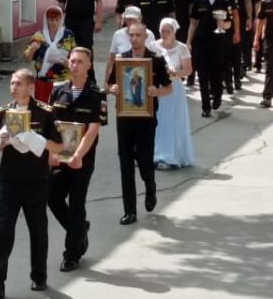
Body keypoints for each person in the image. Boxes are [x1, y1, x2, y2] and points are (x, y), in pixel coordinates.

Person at [0, 69, 63, 299]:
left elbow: (58, 146)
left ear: (30, 87)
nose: (14, 87)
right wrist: (1, 142)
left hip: (35, 180)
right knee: (3, 230)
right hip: (9, 179)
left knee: (37, 229)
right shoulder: (4, 112)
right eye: (12, 84)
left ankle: (39, 276)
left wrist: (34, 139)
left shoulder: (45, 112)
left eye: (18, 84)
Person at [48, 47, 105, 271]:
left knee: (77, 202)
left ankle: (71, 254)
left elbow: (93, 129)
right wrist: (51, 153)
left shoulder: (95, 94)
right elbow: (50, 126)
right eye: (72, 61)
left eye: (80, 62)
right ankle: (79, 228)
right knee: (52, 197)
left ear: (89, 65)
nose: (75, 65)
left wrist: (78, 156)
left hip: (83, 158)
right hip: (59, 156)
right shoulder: (58, 91)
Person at [108, 24, 172, 225]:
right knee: (125, 164)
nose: (134, 39)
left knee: (144, 160)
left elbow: (169, 87)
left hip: (147, 119)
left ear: (146, 37)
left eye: (138, 35)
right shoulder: (121, 60)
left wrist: (157, 92)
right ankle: (130, 211)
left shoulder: (156, 60)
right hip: (124, 118)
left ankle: (150, 186)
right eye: (132, 35)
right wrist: (114, 88)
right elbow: (109, 85)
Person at [187, 0, 235, 118]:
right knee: (202, 74)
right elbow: (193, 22)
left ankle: (217, 96)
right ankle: (205, 106)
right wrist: (189, 41)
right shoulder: (199, 0)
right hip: (201, 41)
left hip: (218, 42)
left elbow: (229, 23)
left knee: (216, 72)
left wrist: (223, 24)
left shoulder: (225, 1)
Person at [149, 18, 194, 169]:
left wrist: (176, 74)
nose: (164, 34)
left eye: (168, 31)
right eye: (162, 31)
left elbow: (188, 69)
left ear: (174, 32)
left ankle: (170, 156)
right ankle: (154, 153)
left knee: (172, 122)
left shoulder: (181, 48)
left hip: (174, 90)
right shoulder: (153, 46)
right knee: (158, 121)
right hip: (157, 88)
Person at [24, 4, 76, 101]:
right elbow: (27, 58)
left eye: (57, 20)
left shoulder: (68, 35)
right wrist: (32, 49)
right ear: (46, 20)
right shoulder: (39, 36)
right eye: (51, 20)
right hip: (43, 81)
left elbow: (76, 58)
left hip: (62, 81)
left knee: (60, 112)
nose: (54, 23)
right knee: (43, 111)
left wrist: (68, 63)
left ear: (62, 19)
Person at [105, 7, 156, 86]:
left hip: (145, 76)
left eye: (134, 19)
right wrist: (106, 82)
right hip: (124, 76)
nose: (131, 22)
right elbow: (111, 59)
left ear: (140, 19)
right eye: (128, 19)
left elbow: (154, 58)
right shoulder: (118, 34)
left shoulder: (149, 35)